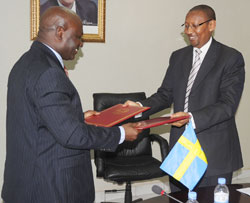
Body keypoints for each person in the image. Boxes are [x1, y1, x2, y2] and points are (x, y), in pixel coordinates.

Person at [1, 7, 141, 203]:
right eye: (78, 37)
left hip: (26, 183)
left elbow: (37, 117)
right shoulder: (48, 73)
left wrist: (78, 117)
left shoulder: (24, 63)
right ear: (60, 32)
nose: (81, 44)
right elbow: (72, 135)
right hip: (50, 186)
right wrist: (121, 134)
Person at [125, 4, 245, 192]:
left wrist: (190, 118)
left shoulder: (230, 58)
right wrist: (139, 106)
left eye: (195, 25)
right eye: (186, 26)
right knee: (179, 198)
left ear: (211, 25)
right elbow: (165, 95)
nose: (189, 31)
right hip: (181, 150)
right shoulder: (178, 57)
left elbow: (227, 106)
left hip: (213, 151)